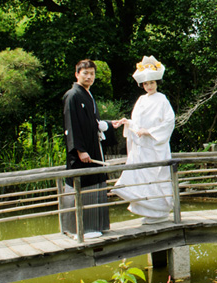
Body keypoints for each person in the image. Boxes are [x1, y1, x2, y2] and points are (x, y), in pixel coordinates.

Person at [111, 56, 176, 225]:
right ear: (143, 85)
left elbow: (169, 122)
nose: (149, 86)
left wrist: (150, 131)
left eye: (152, 83)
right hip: (143, 147)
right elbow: (137, 124)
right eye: (146, 84)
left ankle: (160, 210)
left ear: (156, 82)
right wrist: (128, 123)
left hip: (156, 145)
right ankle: (149, 210)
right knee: (143, 176)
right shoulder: (140, 100)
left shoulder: (162, 99)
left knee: (157, 176)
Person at [61, 59, 114, 239]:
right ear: (77, 74)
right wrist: (80, 150)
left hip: (93, 147)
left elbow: (93, 123)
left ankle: (96, 225)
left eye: (92, 73)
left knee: (96, 184)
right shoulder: (72, 95)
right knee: (83, 186)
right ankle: (81, 230)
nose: (89, 76)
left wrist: (109, 125)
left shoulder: (88, 94)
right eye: (85, 73)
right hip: (82, 153)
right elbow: (72, 126)